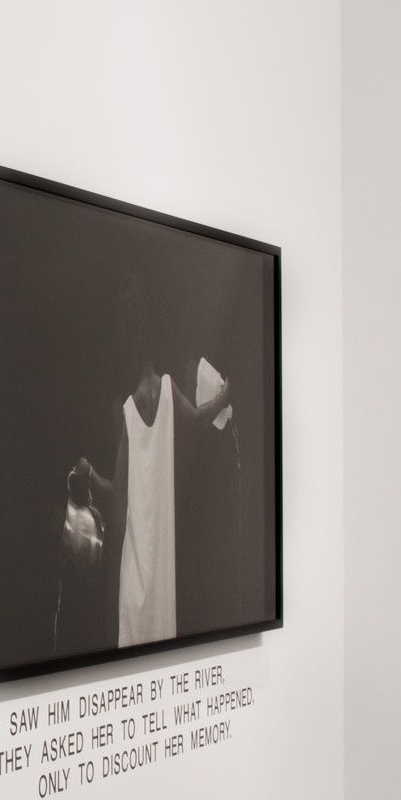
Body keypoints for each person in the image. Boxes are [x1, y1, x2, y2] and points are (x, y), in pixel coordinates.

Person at [71, 276, 232, 648]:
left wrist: (90, 472)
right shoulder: (168, 390)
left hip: (135, 576)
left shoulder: (127, 410)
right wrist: (226, 395)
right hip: (160, 575)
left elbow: (116, 496)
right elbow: (200, 417)